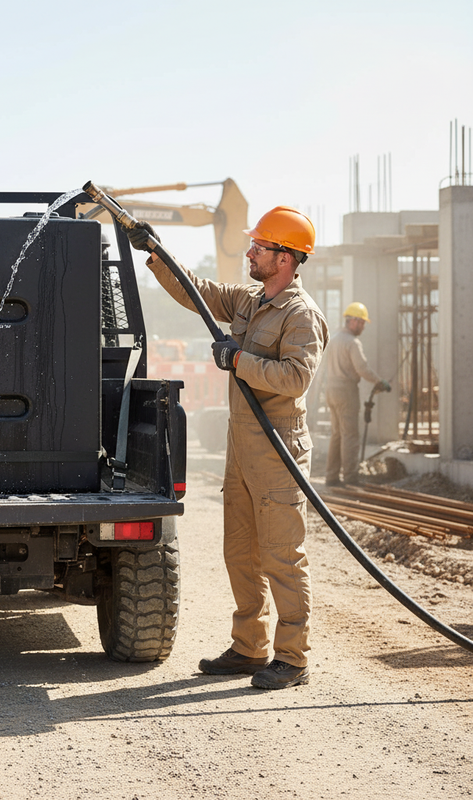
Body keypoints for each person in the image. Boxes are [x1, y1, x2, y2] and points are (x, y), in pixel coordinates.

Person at [128, 206, 328, 690]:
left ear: (284, 258)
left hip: (278, 448)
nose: (250, 252)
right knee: (240, 553)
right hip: (243, 444)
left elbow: (295, 379)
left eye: (259, 247)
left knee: (281, 555)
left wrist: (240, 358)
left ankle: (293, 658)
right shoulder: (249, 300)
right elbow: (198, 294)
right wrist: (156, 253)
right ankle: (249, 648)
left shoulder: (301, 316)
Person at [324, 302, 391, 487]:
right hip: (346, 391)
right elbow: (362, 368)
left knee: (337, 434)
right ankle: (350, 477)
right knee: (350, 435)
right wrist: (379, 382)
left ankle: (331, 476)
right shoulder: (352, 342)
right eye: (361, 322)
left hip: (331, 389)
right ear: (352, 321)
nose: (362, 326)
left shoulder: (334, 338)